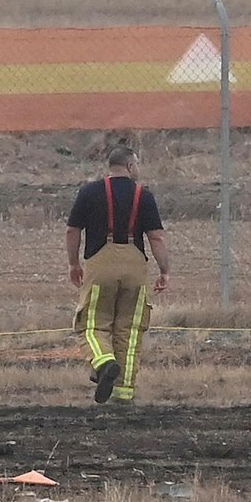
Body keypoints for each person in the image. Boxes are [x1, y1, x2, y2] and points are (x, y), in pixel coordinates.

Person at [66, 146, 170, 404]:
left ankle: (103, 362)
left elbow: (72, 230)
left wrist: (73, 264)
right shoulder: (144, 196)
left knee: (92, 325)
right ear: (131, 166)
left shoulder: (89, 192)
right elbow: (156, 237)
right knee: (130, 331)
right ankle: (123, 394)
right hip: (135, 270)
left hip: (100, 268)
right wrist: (164, 270)